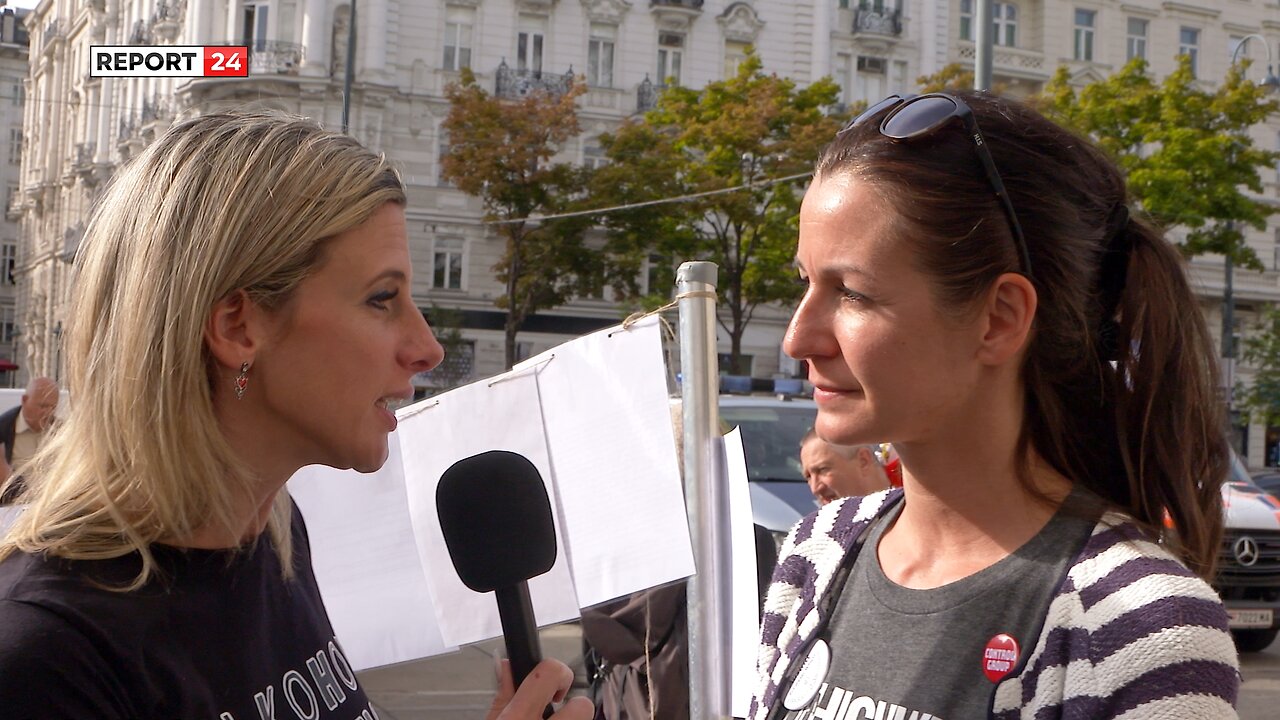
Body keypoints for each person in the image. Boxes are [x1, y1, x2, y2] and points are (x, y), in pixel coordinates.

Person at [0, 112, 592, 720]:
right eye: (382, 299)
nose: (427, 349)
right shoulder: (47, 658)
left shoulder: (274, 537)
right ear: (238, 326)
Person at [750, 91, 1238, 719]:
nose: (798, 338)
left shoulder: (1138, 625)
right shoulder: (816, 552)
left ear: (999, 318)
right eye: (806, 283)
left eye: (853, 293)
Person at [0, 376, 59, 504]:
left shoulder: (61, 433)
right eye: (42, 406)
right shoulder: (4, 429)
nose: (48, 412)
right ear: (24, 400)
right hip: (13, 509)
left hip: (52, 509)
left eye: (53, 407)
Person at [799, 428, 888, 504]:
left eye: (823, 470)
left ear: (863, 461)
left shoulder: (900, 514)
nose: (815, 488)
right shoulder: (821, 522)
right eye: (808, 477)